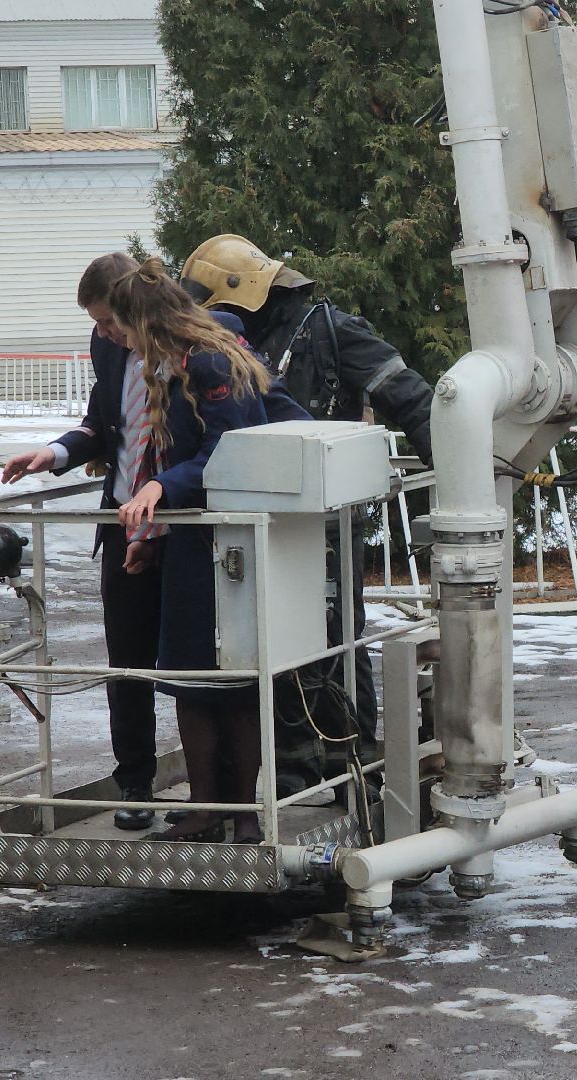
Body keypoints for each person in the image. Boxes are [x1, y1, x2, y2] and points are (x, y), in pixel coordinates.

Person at [180, 235, 436, 792]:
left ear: (243, 290)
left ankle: (352, 767)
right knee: (271, 642)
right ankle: (294, 772)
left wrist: (457, 475)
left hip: (327, 516)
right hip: (261, 515)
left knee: (336, 638)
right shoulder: (234, 340)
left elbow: (413, 399)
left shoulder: (332, 331)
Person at [104, 258, 284, 844]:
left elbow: (226, 446)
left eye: (122, 328)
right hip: (194, 540)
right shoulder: (190, 357)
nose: (120, 341)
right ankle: (221, 808)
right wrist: (150, 541)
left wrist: (160, 488)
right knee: (205, 681)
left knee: (215, 681)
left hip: (218, 540)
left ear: (144, 322)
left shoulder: (206, 361)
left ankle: (228, 810)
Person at [0, 253, 163, 831]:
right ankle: (135, 782)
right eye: (96, 324)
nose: (104, 333)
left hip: (184, 523)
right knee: (127, 662)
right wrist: (55, 453)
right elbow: (102, 424)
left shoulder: (185, 345)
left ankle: (219, 788)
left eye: (108, 321)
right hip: (123, 522)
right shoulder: (107, 347)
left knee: (199, 664)